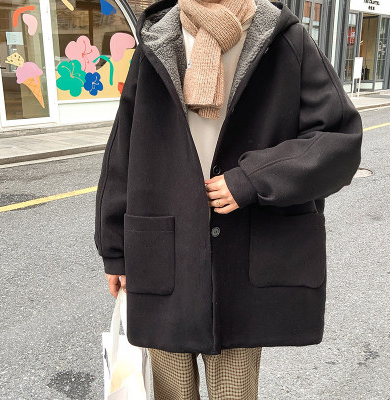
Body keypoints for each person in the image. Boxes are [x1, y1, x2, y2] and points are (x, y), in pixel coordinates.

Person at [94, 0, 363, 398]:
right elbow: (123, 152)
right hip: (162, 252)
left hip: (243, 252)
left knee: (234, 392)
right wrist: (115, 251)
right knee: (171, 391)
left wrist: (253, 178)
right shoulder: (157, 40)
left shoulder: (283, 37)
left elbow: (339, 140)